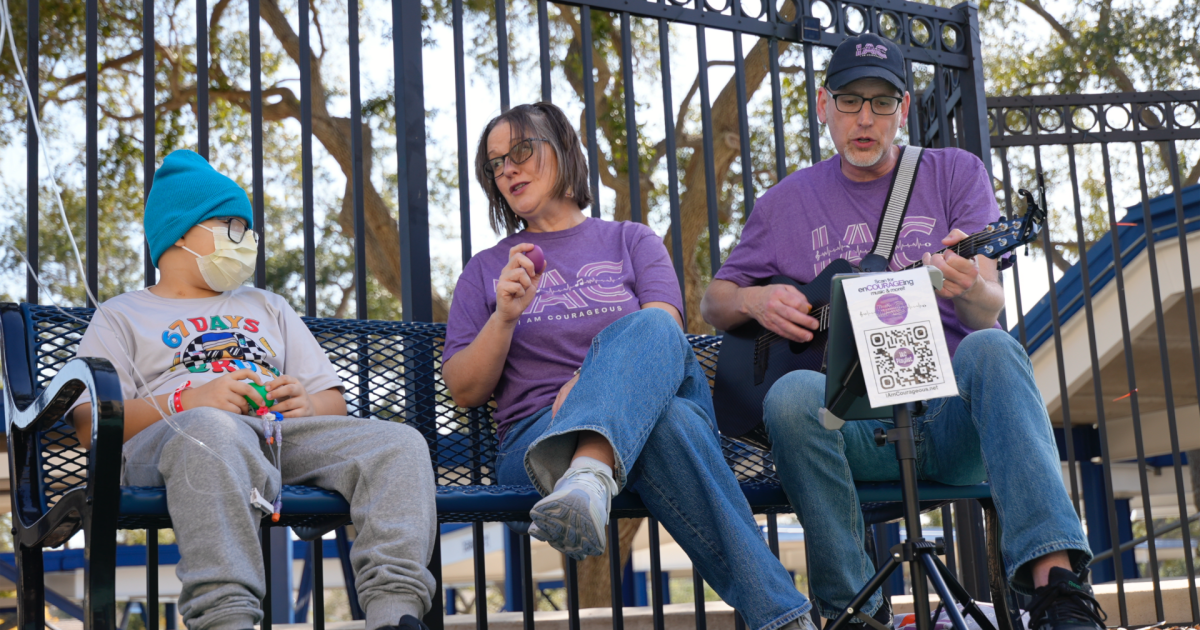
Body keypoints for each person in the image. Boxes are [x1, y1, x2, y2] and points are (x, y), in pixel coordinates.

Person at [701, 33, 1106, 630]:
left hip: (948, 421)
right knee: (789, 395)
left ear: (904, 109)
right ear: (823, 105)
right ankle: (856, 614)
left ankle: (1058, 592)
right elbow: (714, 302)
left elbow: (986, 309)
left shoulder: (954, 173)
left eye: (882, 102)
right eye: (849, 100)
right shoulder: (785, 203)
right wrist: (755, 300)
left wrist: (967, 286)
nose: (865, 118)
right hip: (848, 427)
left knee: (994, 347)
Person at [443, 102, 816, 630]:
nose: (507, 169)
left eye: (521, 150)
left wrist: (592, 383)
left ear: (563, 150)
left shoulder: (631, 240)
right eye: (495, 162)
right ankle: (786, 621)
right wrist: (504, 316)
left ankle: (589, 476)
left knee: (658, 338)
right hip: (541, 445)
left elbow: (663, 333)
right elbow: (464, 389)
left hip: (641, 414)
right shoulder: (487, 270)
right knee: (674, 424)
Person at [70, 150, 437, 630]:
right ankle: (228, 619)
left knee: (400, 444)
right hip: (182, 441)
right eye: (231, 225)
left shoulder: (268, 306)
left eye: (247, 229)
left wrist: (306, 403)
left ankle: (394, 614)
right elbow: (88, 424)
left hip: (277, 436)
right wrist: (188, 401)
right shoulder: (122, 314)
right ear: (180, 232)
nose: (245, 240)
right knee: (211, 429)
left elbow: (333, 403)